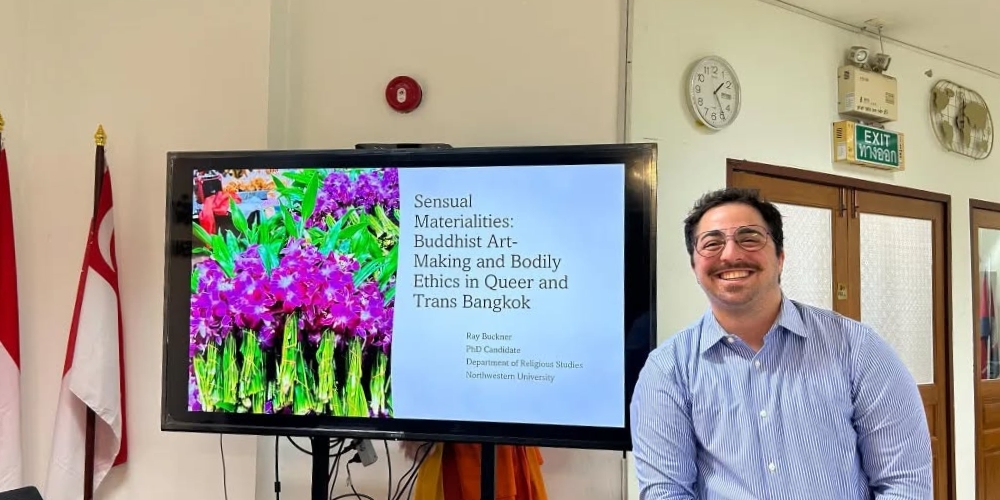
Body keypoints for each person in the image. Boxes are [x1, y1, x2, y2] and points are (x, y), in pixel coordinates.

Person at [629, 187, 933, 500]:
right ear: (695, 266)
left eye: (749, 238)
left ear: (780, 258)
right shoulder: (667, 370)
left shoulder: (857, 348)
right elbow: (666, 493)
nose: (731, 254)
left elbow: (904, 483)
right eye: (712, 243)